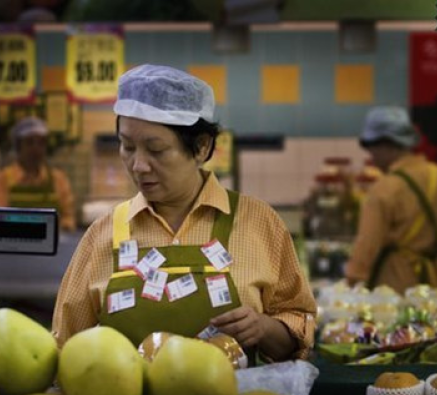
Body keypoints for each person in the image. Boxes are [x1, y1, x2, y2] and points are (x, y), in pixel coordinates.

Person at [52, 65, 316, 362]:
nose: (138, 165)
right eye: (127, 147)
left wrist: (264, 328)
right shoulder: (103, 235)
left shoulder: (258, 223)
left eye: (156, 150)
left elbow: (298, 327)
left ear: (202, 147)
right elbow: (66, 348)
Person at [345, 106, 437, 294]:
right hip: (434, 284)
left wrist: (351, 284)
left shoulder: (385, 188)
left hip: (395, 286)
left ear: (387, 144)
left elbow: (367, 246)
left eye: (372, 149)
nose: (371, 157)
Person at [0, 116, 77, 231]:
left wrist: (65, 227)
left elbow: (68, 216)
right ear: (18, 146)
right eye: (30, 142)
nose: (36, 148)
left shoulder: (58, 178)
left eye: (41, 143)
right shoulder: (1, 179)